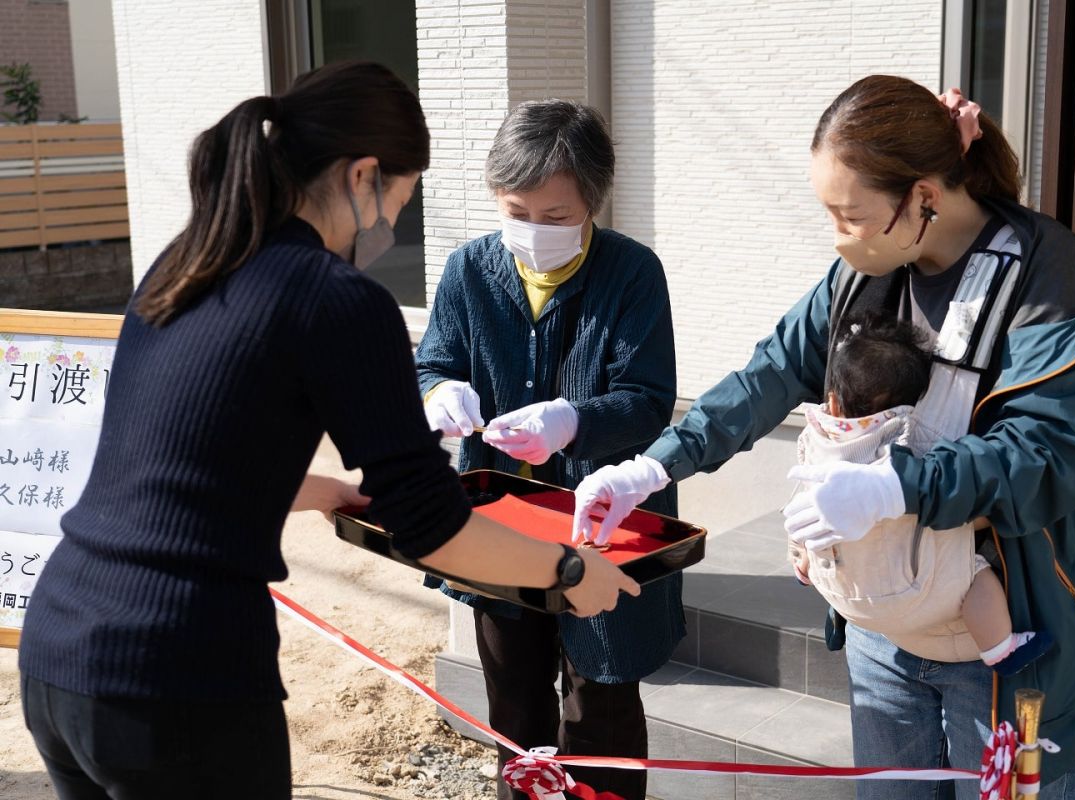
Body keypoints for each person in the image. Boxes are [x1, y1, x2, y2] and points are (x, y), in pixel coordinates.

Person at [18, 62, 639, 800]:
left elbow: (180, 460)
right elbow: (429, 525)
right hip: (179, 671)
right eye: (400, 201)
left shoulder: (184, 263)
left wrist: (323, 491)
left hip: (58, 649)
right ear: (364, 176)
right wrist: (568, 571)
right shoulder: (336, 299)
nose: (389, 226)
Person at [572, 75, 1075, 799]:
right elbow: (767, 377)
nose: (837, 237)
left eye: (849, 216)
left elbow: (1054, 452)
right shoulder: (858, 278)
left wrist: (893, 486)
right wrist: (651, 468)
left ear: (923, 198)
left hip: (1005, 636)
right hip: (884, 630)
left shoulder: (1052, 282)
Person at [415, 99, 680, 800]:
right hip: (499, 518)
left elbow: (649, 399)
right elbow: (431, 362)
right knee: (514, 704)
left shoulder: (632, 274)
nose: (533, 231)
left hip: (604, 524)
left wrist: (571, 420)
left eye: (555, 217)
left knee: (600, 706)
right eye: (516, 211)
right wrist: (440, 390)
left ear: (592, 202)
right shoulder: (469, 271)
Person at [789, 313, 1051, 677]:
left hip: (846, 595)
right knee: (978, 578)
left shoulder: (815, 435)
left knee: (807, 517)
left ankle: (805, 567)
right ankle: (1001, 649)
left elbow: (800, 497)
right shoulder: (912, 442)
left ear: (833, 404)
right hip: (920, 594)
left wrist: (802, 554)